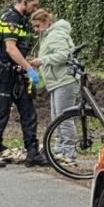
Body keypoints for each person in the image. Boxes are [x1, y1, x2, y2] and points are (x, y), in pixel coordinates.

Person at [0, 0, 45, 168]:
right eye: (34, 4)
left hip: (17, 74)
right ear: (24, 1)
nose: (35, 8)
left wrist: (26, 65)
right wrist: (28, 69)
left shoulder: (21, 20)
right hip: (5, 75)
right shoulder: (11, 19)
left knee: (29, 113)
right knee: (0, 115)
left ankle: (33, 154)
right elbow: (10, 48)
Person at [31, 8, 79, 163]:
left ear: (46, 22)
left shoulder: (56, 34)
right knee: (56, 118)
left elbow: (63, 55)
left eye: (38, 25)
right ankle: (59, 149)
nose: (35, 29)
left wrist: (42, 61)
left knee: (64, 118)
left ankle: (69, 152)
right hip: (56, 81)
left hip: (65, 81)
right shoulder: (47, 35)